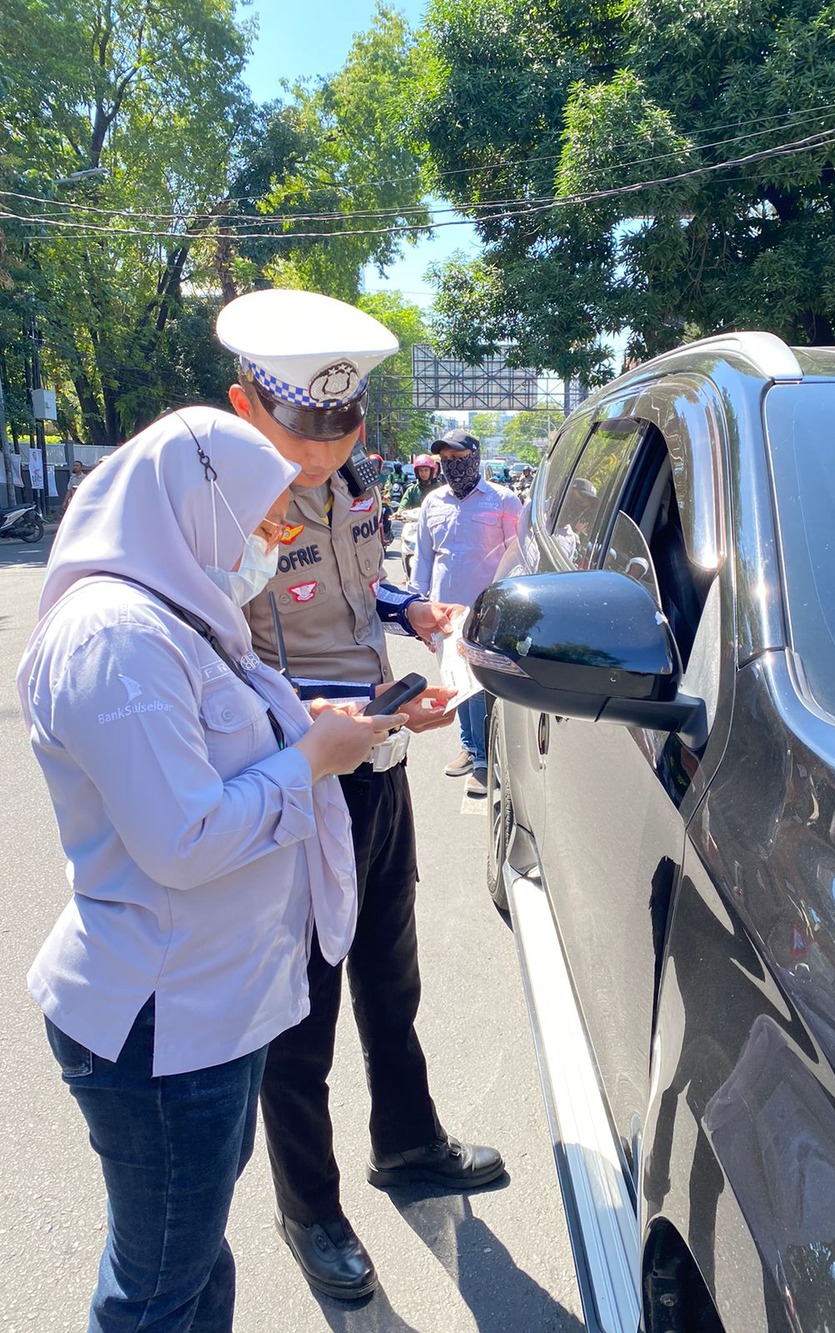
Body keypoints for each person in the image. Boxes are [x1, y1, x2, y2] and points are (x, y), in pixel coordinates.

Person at [16, 405, 404, 1332]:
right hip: (162, 1026)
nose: (271, 540)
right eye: (262, 519)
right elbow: (182, 838)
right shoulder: (117, 638)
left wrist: (324, 729)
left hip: (208, 1011)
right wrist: (313, 761)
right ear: (200, 504)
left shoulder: (178, 616)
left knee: (189, 1260)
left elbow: (221, 744)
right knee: (156, 1287)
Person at [215, 288, 505, 1303]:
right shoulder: (223, 515)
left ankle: (408, 1139)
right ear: (247, 407)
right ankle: (310, 1208)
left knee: (392, 968)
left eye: (343, 429)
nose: (325, 454)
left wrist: (410, 605)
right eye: (306, 432)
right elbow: (215, 666)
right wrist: (340, 712)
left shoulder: (351, 482)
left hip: (376, 757)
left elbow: (358, 582)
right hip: (294, 776)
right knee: (300, 1007)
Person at [413, 428, 522, 795]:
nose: (452, 467)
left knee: (481, 684)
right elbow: (424, 558)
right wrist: (418, 608)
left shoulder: (503, 501)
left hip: (489, 612)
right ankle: (470, 747)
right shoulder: (433, 503)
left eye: (459, 459)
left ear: (475, 457)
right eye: (446, 461)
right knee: (457, 682)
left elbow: (519, 557)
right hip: (444, 613)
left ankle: (485, 760)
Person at [396, 451, 443, 517]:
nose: (423, 473)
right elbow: (403, 506)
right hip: (414, 523)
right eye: (421, 470)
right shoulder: (412, 490)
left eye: (426, 470)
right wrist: (399, 512)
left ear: (431, 471)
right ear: (417, 472)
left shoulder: (440, 489)